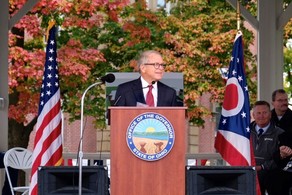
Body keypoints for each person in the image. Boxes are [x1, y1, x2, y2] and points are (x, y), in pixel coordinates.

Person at [114, 50, 181, 107]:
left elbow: (174, 119)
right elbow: (116, 117)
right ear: (143, 68)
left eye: (162, 65)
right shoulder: (125, 90)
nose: (161, 68)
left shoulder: (169, 93)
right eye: (156, 65)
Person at [250, 100, 284, 195]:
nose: (261, 116)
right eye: (258, 113)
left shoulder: (280, 133)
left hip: (273, 176)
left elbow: (281, 157)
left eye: (265, 112)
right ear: (253, 115)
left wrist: (262, 167)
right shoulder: (246, 132)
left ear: (270, 114)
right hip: (250, 175)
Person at [270, 89, 292, 194]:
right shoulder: (266, 118)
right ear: (273, 102)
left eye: (285, 100)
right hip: (268, 163)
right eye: (280, 100)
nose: (284, 102)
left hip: (288, 164)